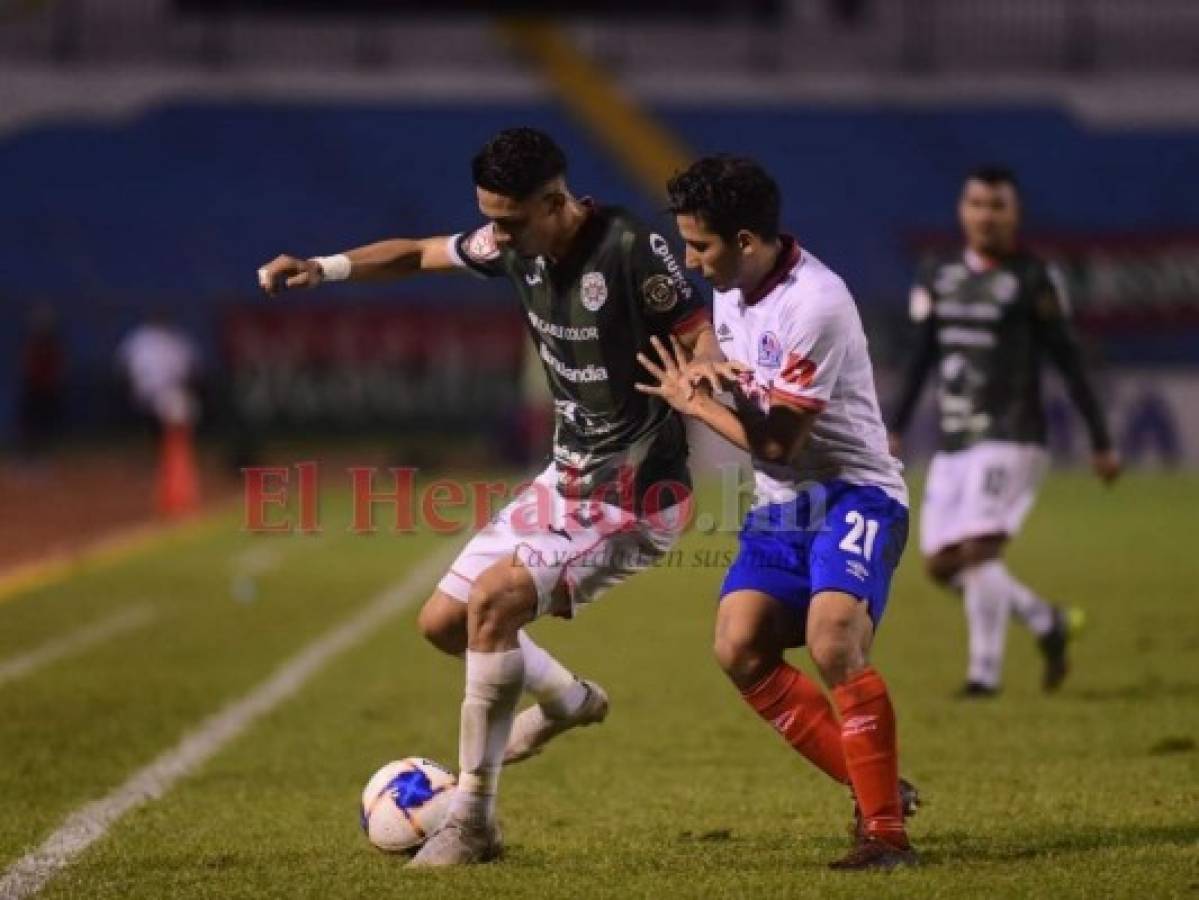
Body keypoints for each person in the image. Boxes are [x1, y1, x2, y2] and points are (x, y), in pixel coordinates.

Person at [257, 127, 718, 866]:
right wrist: (324, 266)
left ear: (555, 202)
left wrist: (700, 377)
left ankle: (472, 822)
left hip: (636, 493)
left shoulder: (629, 247)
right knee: (443, 623)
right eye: (489, 218)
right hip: (564, 480)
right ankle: (570, 701)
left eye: (508, 220)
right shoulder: (513, 243)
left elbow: (698, 334)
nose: (494, 235)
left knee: (496, 601)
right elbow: (415, 252)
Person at [637, 155, 918, 870]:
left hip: (855, 492)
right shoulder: (734, 289)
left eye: (700, 246)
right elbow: (747, 386)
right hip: (781, 504)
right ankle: (871, 775)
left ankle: (884, 834)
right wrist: (713, 369)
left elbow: (778, 441)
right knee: (737, 648)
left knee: (832, 641)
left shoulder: (815, 303)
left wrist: (695, 403)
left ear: (747, 240)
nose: (692, 261)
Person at [888, 166, 1120, 697]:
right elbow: (922, 355)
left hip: (1013, 433)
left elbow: (1068, 357)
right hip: (955, 437)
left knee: (978, 553)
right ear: (961, 210)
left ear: (1015, 214)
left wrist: (1101, 439)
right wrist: (895, 426)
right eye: (977, 204)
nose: (985, 216)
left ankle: (983, 677)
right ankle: (1046, 622)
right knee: (942, 566)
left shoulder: (1034, 277)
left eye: (997, 206)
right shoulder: (937, 272)